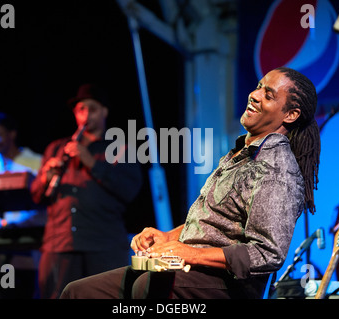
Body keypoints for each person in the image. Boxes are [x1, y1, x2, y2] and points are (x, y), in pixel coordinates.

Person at [60, 67, 321, 299]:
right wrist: (168, 237)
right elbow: (212, 223)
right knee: (78, 291)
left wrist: (190, 254)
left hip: (227, 285)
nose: (255, 95)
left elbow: (268, 253)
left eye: (269, 95)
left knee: (147, 287)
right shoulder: (240, 155)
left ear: (291, 114)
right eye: (258, 87)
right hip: (192, 270)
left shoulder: (277, 170)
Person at [30, 83, 143, 299]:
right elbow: (35, 195)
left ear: (104, 112)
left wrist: (90, 161)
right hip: (59, 244)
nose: (85, 114)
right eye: (80, 109)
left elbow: (128, 190)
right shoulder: (56, 148)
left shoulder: (120, 148)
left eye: (92, 108)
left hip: (103, 244)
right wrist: (46, 176)